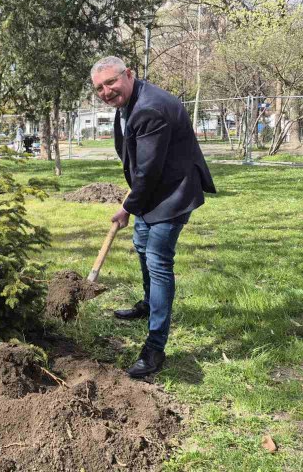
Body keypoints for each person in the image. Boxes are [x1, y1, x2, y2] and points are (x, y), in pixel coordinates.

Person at [90, 56, 215, 379]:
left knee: (159, 263)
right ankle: (148, 303)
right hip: (152, 193)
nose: (106, 91)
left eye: (111, 83)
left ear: (128, 75)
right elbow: (141, 166)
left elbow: (148, 171)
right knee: (142, 247)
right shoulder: (133, 100)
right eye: (99, 87)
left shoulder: (150, 108)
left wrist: (127, 207)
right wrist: (135, 203)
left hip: (171, 195)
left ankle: (155, 346)